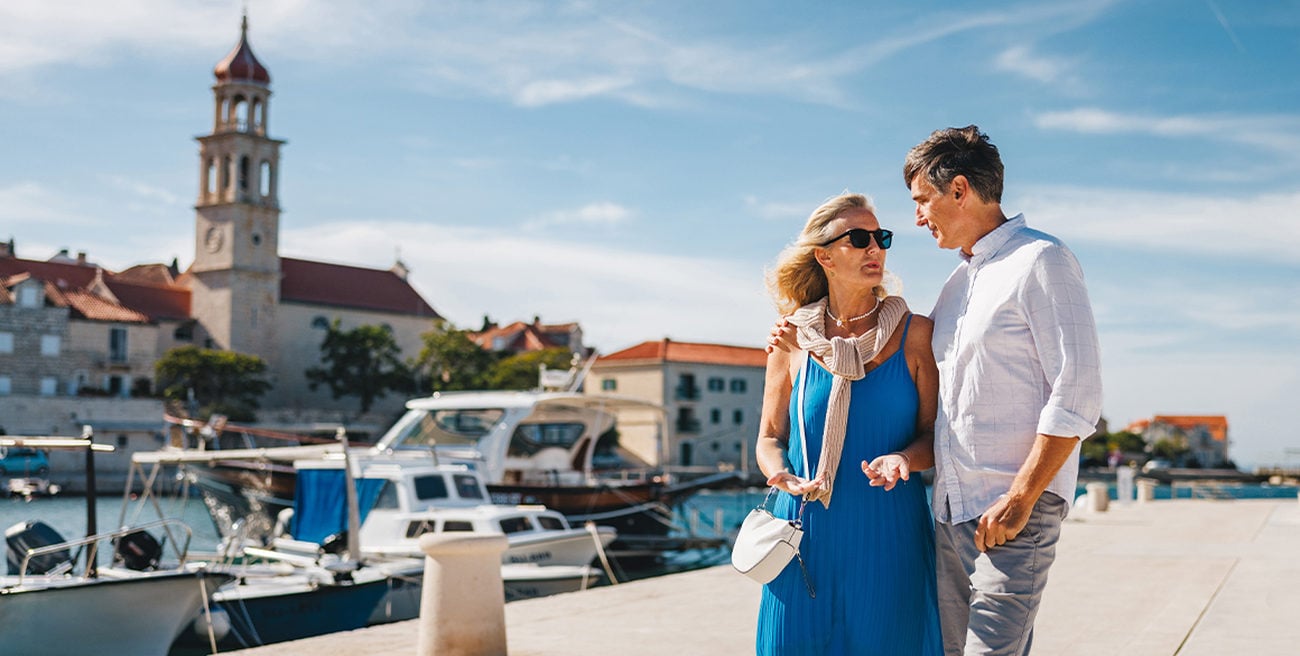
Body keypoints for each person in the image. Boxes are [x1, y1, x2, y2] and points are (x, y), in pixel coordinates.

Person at [904, 125, 1102, 655]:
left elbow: (1078, 391)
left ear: (959, 189)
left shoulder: (1042, 259)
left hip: (1014, 511)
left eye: (922, 200)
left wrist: (1020, 498)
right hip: (951, 512)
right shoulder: (956, 285)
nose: (918, 217)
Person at [754, 192, 942, 655]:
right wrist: (779, 473)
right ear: (824, 257)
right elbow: (770, 437)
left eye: (881, 238)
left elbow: (934, 435)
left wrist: (903, 458)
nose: (874, 248)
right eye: (859, 238)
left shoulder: (916, 334)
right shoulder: (792, 338)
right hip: (802, 531)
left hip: (888, 532)